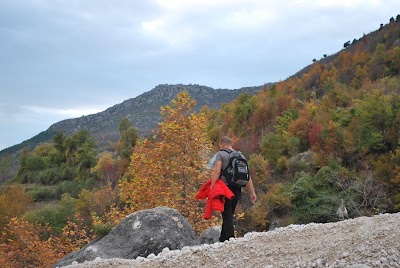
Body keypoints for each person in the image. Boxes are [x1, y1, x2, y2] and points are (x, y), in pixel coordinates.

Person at [210, 136, 257, 242]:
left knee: (227, 214)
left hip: (225, 189)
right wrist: (252, 192)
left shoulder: (221, 154)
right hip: (237, 189)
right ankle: (223, 239)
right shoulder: (240, 156)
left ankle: (231, 239)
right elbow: (247, 176)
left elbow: (217, 171)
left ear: (222, 144)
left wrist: (212, 187)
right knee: (228, 214)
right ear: (231, 144)